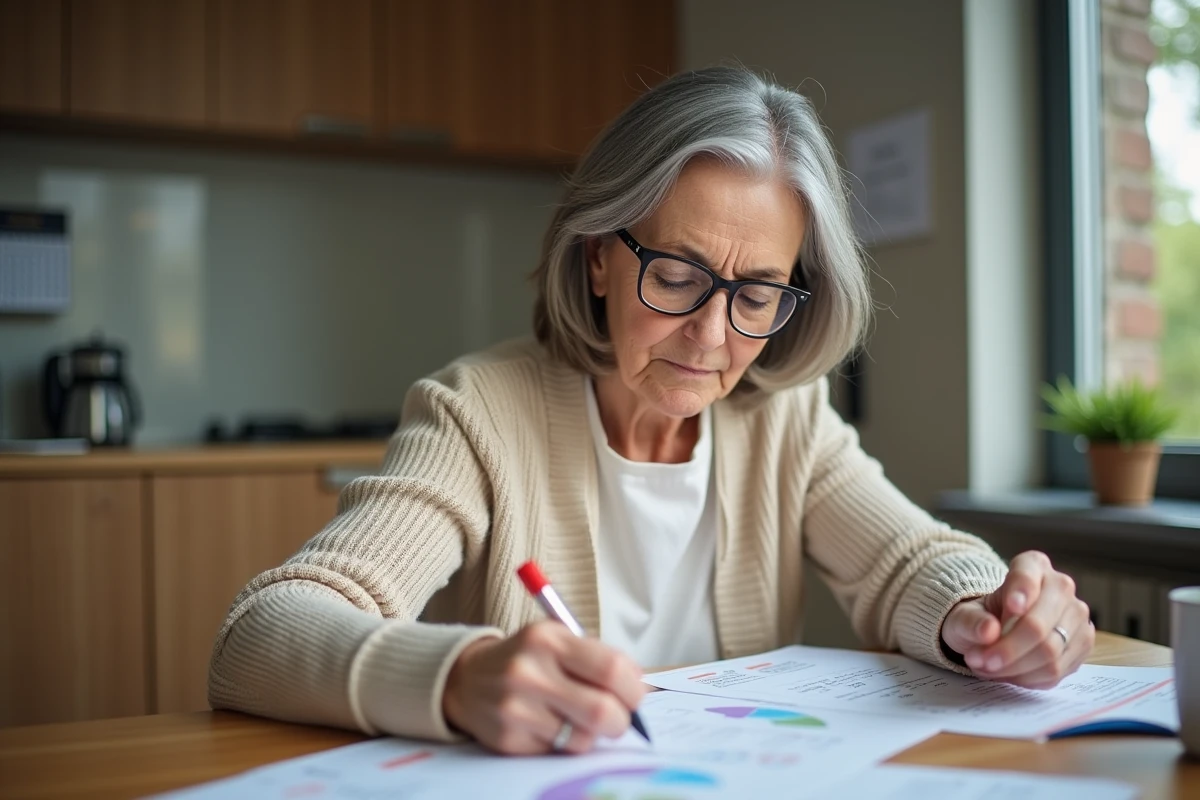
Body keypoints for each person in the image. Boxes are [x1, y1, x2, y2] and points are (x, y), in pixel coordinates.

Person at [208, 66, 1094, 756]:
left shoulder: (781, 415)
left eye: (756, 293)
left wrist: (987, 615)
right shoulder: (479, 412)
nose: (713, 335)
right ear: (599, 256)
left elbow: (909, 563)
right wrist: (456, 676)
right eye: (677, 276)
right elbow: (261, 634)